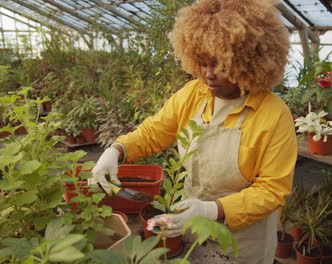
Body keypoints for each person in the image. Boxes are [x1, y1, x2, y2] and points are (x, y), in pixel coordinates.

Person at [88, 0, 296, 262]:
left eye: (220, 64)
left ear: (247, 60)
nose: (208, 74)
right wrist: (116, 150)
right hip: (189, 224)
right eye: (203, 62)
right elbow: (154, 132)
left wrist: (212, 210)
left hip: (242, 241)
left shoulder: (273, 114)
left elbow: (272, 190)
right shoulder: (192, 95)